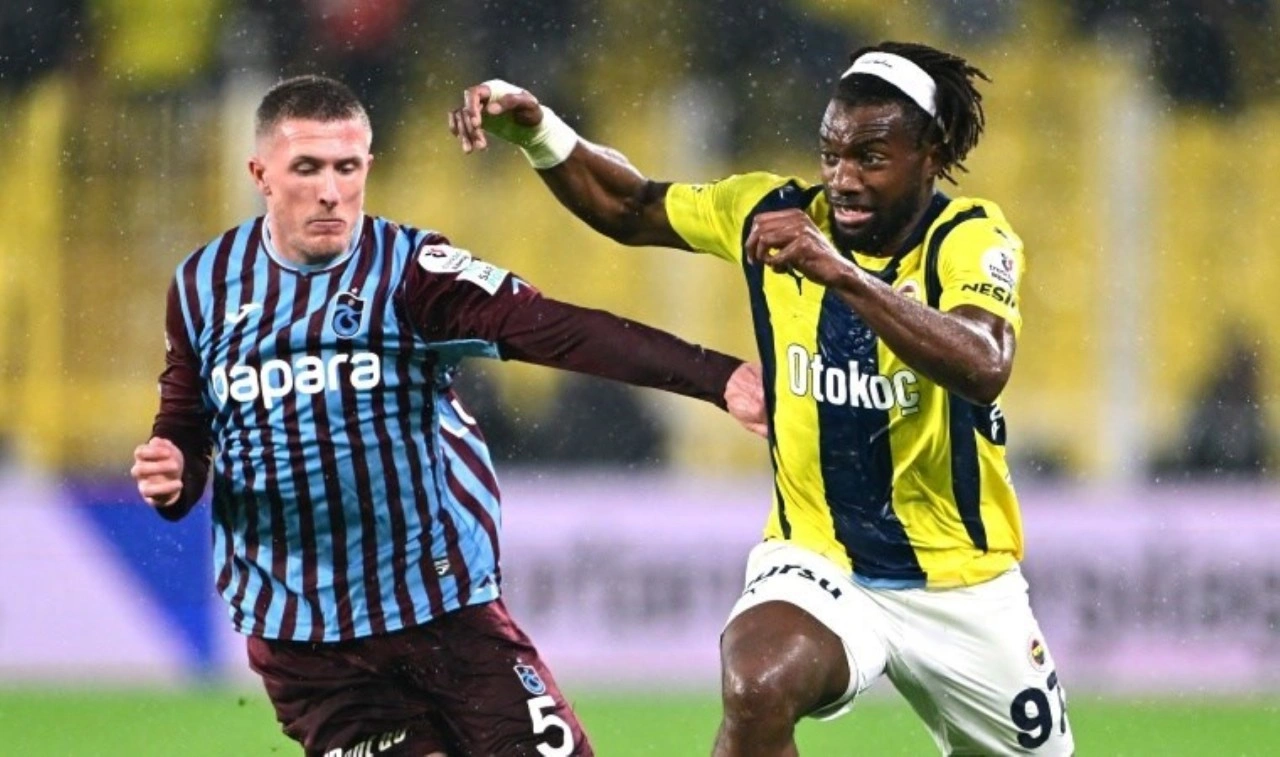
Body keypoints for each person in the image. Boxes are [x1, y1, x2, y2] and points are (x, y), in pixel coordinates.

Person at [451, 40, 1076, 756]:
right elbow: (631, 205)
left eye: (870, 158)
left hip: (963, 583)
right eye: (831, 155)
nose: (843, 179)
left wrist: (841, 274)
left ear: (930, 154)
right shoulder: (771, 210)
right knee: (757, 681)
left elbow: (984, 363)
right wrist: (540, 134)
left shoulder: (967, 237)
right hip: (821, 558)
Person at [129, 74, 765, 757]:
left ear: (369, 166)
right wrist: (174, 470)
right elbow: (188, 425)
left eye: (347, 167)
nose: (330, 191)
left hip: (442, 612)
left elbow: (557, 329)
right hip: (307, 644)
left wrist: (716, 376)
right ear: (260, 173)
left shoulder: (412, 273)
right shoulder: (202, 285)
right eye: (307, 168)